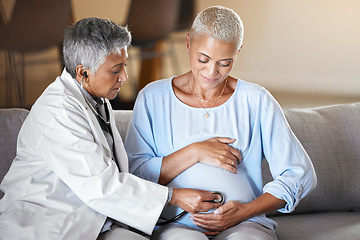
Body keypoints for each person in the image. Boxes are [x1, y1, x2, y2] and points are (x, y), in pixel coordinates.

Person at [0, 17, 221, 240]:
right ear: (83, 72)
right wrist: (173, 196)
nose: (125, 77)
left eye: (124, 66)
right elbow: (101, 185)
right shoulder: (59, 111)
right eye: (116, 70)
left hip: (89, 216)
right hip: (47, 221)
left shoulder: (96, 99)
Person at [125, 6, 317, 240]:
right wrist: (195, 152)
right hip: (174, 224)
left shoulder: (256, 100)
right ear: (188, 44)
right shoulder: (153, 97)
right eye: (203, 59)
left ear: (238, 52)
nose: (212, 72)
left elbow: (299, 174)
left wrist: (244, 211)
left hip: (245, 224)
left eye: (225, 62)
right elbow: (134, 176)